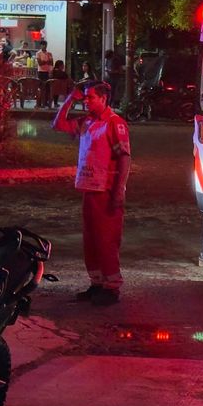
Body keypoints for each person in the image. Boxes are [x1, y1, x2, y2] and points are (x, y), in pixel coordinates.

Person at [52, 82, 131, 306]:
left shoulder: (114, 124)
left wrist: (119, 189)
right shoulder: (87, 122)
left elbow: (124, 158)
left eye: (91, 98)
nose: (86, 101)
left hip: (106, 191)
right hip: (89, 189)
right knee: (91, 240)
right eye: (85, 98)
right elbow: (57, 124)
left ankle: (111, 287)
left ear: (104, 99)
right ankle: (96, 284)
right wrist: (70, 99)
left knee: (107, 240)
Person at [36, 40, 54, 107]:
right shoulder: (38, 53)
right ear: (41, 45)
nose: (44, 46)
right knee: (40, 88)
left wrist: (45, 62)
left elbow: (51, 63)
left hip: (47, 72)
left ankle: (46, 102)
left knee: (47, 88)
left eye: (45, 44)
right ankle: (39, 103)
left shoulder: (49, 53)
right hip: (41, 72)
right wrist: (47, 61)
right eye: (43, 45)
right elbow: (40, 63)